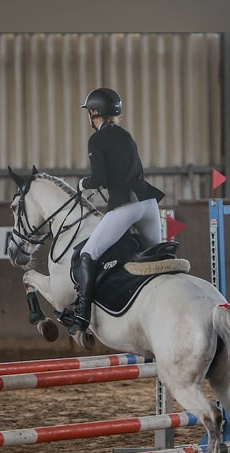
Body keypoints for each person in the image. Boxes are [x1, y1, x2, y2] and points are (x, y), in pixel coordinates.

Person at [69, 87, 165, 337]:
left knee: (89, 253)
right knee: (158, 257)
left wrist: (84, 183)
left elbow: (100, 177)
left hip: (126, 206)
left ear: (94, 112)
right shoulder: (125, 135)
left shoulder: (97, 140)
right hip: (148, 203)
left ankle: (81, 315)